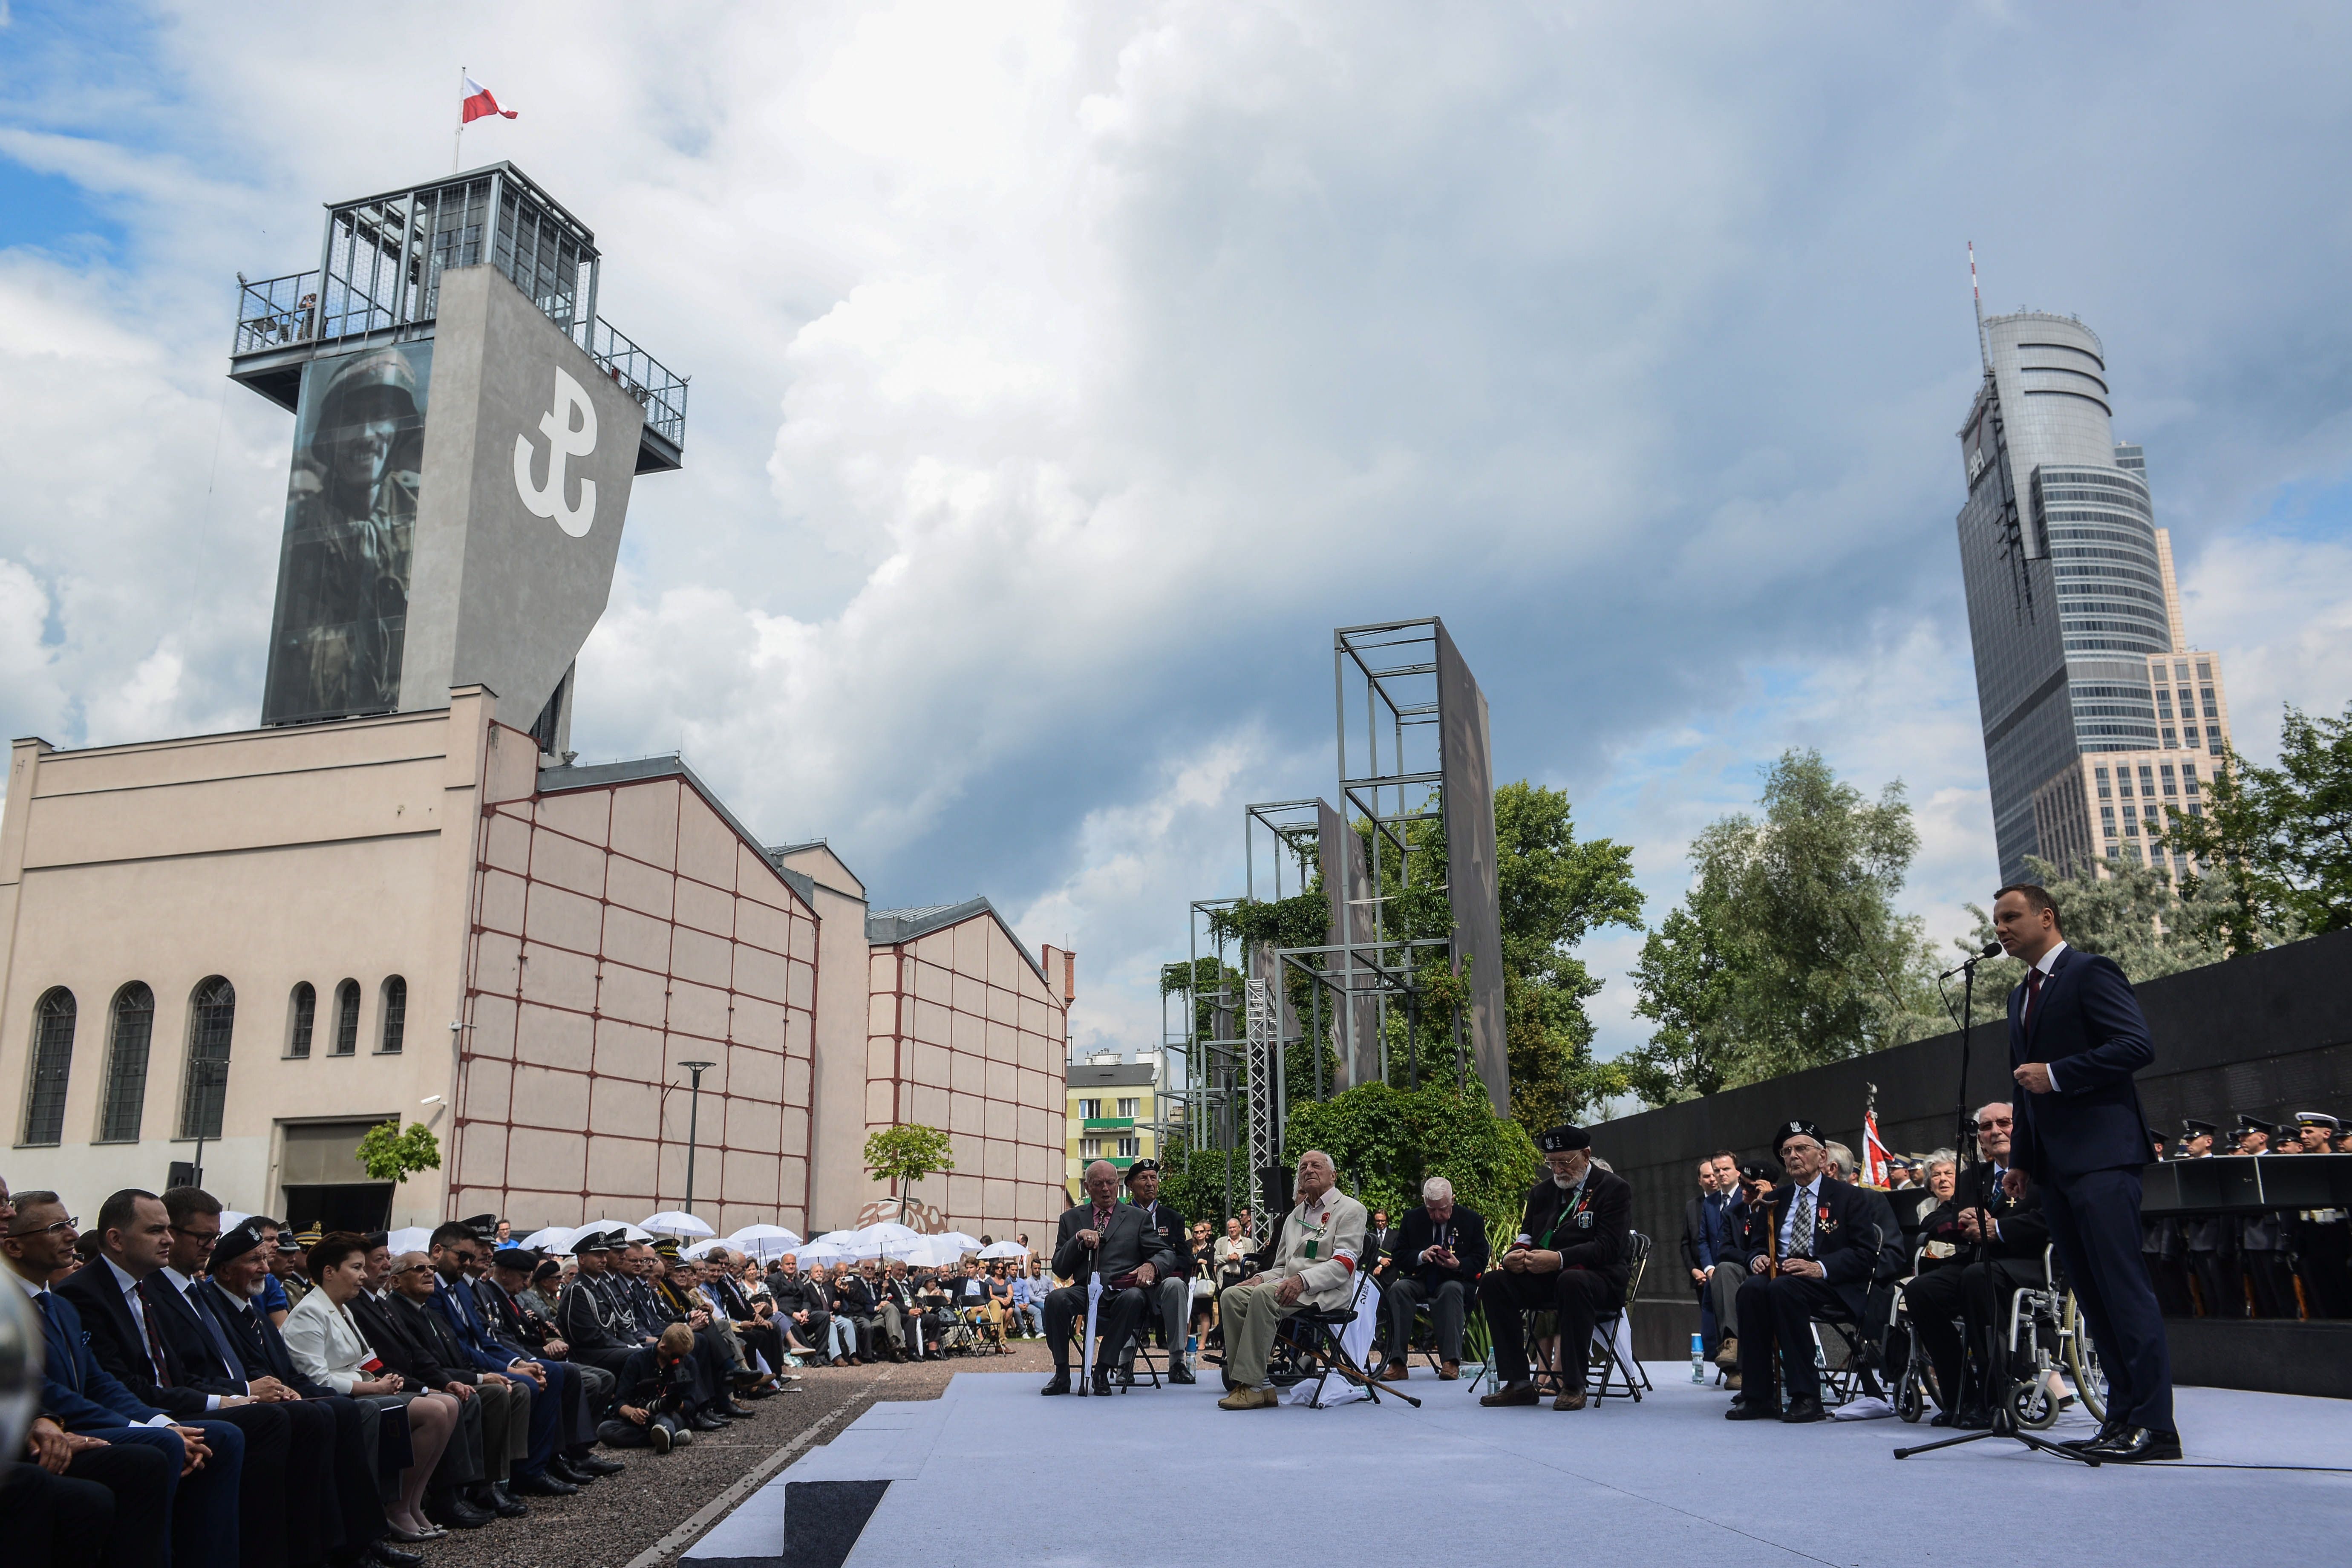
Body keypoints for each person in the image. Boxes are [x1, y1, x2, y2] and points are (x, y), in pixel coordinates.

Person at [1997, 881, 2179, 1459]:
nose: (2000, 929)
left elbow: (2135, 1045)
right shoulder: (2018, 996)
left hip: (2104, 1158)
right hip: (2055, 1171)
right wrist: (2022, 1160)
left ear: (2046, 917)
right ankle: (2120, 1419)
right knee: (2093, 1299)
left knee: (2124, 1292)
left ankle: (2157, 1426)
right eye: (1996, 920)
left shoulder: (2089, 972)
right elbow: (2021, 1087)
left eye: (2011, 917)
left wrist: (2057, 1074)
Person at [7, 1190, 251, 1568]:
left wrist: (161, 1421)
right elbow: (39, 1388)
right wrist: (147, 1426)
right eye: (57, 1228)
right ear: (14, 1247)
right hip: (45, 1431)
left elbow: (100, 1382)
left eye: (70, 1224)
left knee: (221, 1437)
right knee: (160, 1450)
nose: (73, 1236)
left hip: (82, 1420)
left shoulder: (61, 1306)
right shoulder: (20, 1305)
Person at [56, 1187, 293, 1568]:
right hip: (121, 1413)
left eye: (169, 1229)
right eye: (156, 1231)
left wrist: (232, 1398)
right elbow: (114, 1384)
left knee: (277, 1419)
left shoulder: (143, 1288)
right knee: (230, 1431)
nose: (168, 1239)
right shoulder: (80, 1294)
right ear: (116, 1240)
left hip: (156, 1404)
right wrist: (174, 1419)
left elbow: (172, 1375)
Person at [196, 1219, 410, 1564]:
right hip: (252, 1400)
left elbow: (291, 1372)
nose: (266, 1269)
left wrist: (306, 1390)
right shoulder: (217, 1309)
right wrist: (302, 1391)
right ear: (223, 1270)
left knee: (337, 1408)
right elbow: (250, 1372)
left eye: (265, 1260)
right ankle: (326, 1546)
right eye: (255, 1261)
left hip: (288, 1393)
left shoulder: (254, 1313)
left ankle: (363, 1539)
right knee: (334, 1410)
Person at [282, 1232, 461, 1543]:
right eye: (356, 1268)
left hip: (366, 1389)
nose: (363, 1276)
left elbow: (368, 1358)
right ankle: (396, 1508)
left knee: (449, 1404)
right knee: (433, 1410)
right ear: (329, 1272)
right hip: (338, 1399)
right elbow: (317, 1379)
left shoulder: (342, 1308)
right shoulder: (310, 1312)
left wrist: (390, 1380)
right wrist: (374, 1389)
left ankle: (413, 1502)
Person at [1723, 1120, 1903, 1424]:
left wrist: (1820, 1267)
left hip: (1831, 1283)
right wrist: (1756, 1259)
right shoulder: (1775, 1201)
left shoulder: (1849, 1197)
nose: (1793, 1156)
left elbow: (1864, 1254)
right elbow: (1755, 1245)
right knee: (1752, 1289)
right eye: (1787, 1151)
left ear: (1822, 1158)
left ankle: (1806, 1396)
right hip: (1781, 1278)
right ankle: (1758, 1395)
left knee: (1783, 1290)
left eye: (1801, 1149)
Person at [1902, 1103, 2049, 1427]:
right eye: (1986, 1127)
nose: (1995, 1131)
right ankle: (1960, 1399)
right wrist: (1960, 1218)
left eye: (2005, 1123)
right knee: (1921, 1291)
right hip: (1975, 1263)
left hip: (2025, 1265)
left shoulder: (2045, 1170)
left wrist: (2001, 1229)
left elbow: (2054, 1220)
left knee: (1975, 1278)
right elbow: (1936, 1219)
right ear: (1980, 1140)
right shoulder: (1973, 1178)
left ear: (2021, 1128)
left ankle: (1994, 1399)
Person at [1476, 1127, 1631, 1412]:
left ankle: (1573, 1385)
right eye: (1551, 1163)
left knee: (1572, 1281)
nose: (1558, 1170)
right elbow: (1526, 1236)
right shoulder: (1542, 1192)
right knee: (1494, 1283)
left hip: (1599, 1279)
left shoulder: (1613, 1188)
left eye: (1565, 1162)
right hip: (1549, 1278)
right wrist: (1513, 1256)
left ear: (1586, 1156)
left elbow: (1608, 1246)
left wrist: (1559, 1259)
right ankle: (1519, 1383)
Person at [1215, 1151, 1368, 1410]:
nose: (1308, 1170)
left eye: (1316, 1166)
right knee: (1232, 1296)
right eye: (1303, 1167)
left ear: (1333, 1176)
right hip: (1290, 1287)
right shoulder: (1293, 1216)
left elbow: (1344, 1266)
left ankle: (1250, 1386)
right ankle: (1260, 1384)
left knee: (1265, 1295)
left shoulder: (1351, 1210)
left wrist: (1302, 1280)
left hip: (1326, 1291)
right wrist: (1259, 1278)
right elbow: (1283, 1267)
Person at [1042, 1160, 1179, 1396]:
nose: (1105, 1189)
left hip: (1122, 1290)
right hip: (1086, 1289)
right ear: (1087, 1187)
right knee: (1055, 1299)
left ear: (1118, 1185)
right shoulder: (1071, 1219)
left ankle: (1103, 1370)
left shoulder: (1137, 1218)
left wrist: (1152, 1266)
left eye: (1110, 1183)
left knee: (1135, 1298)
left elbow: (1166, 1253)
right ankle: (1062, 1373)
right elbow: (1060, 1270)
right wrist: (1077, 1240)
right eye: (1098, 1184)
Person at [1381, 1176, 1487, 1381]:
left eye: (1443, 1209)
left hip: (1454, 1280)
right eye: (1431, 1210)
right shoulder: (1412, 1218)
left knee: (1451, 1290)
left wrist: (1459, 1264)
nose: (1437, 1215)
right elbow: (1399, 1255)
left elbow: (1481, 1258)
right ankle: (1397, 1363)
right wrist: (1421, 1256)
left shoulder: (1472, 1220)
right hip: (1420, 1278)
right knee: (1398, 1289)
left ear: (1453, 1200)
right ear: (1424, 1202)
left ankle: (1450, 1362)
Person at [1118, 1160, 1196, 1383]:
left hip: (1162, 1282)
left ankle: (1177, 1363)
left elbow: (1184, 1258)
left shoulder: (1173, 1219)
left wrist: (1157, 1270)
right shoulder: (1121, 1216)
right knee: (1128, 1296)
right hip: (1132, 1282)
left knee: (1177, 1287)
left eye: (1154, 1178)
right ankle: (1125, 1363)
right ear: (1131, 1185)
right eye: (1144, 1179)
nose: (1150, 1183)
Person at [597, 1324, 703, 1453]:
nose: (681, 1360)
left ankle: (665, 1435)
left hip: (671, 1417)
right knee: (605, 1430)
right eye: (677, 1357)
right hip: (641, 1419)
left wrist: (676, 1404)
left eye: (684, 1356)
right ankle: (670, 1438)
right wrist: (633, 1413)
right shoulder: (637, 1361)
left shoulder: (689, 1363)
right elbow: (619, 1402)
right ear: (663, 1348)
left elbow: (691, 1404)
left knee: (664, 1418)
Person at [1680, 1157, 1731, 1357]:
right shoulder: (1693, 1206)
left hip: (1726, 1273)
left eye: (1715, 1174)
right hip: (1702, 1278)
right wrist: (1695, 1270)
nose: (1712, 1179)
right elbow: (1686, 1243)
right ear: (1699, 1180)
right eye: (1706, 1176)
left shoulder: (1730, 1202)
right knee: (1710, 1324)